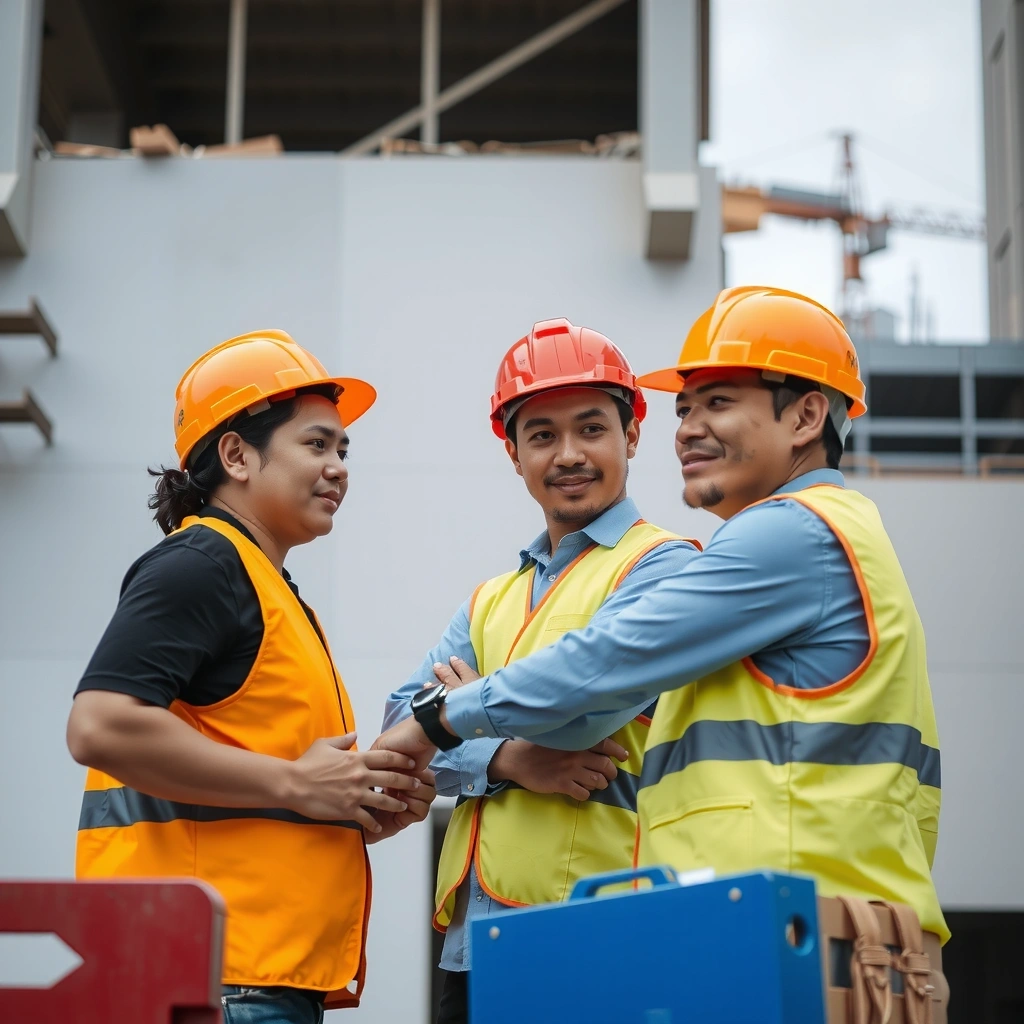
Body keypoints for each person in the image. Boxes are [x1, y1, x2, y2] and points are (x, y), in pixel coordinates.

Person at [379, 286, 948, 948]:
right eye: (684, 409)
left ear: (805, 417)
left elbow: (597, 676)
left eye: (718, 403)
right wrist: (507, 755)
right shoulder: (818, 535)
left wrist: (441, 716)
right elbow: (403, 718)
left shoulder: (787, 536)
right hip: (798, 917)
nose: (689, 429)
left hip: (792, 922)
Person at [67, 330, 436, 1024]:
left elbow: (251, 779)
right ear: (236, 455)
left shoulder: (264, 587)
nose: (338, 468)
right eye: (317, 444)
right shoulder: (203, 565)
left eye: (343, 450)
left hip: (242, 978)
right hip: (215, 984)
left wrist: (346, 806)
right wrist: (297, 784)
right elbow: (99, 726)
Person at [383, 318, 701, 1024]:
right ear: (514, 453)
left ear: (632, 435)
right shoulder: (490, 599)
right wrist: (507, 760)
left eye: (591, 428)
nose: (569, 454)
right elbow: (399, 726)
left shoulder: (664, 567)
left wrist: (459, 717)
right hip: (471, 943)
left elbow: (579, 706)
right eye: (542, 435)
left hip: (596, 933)